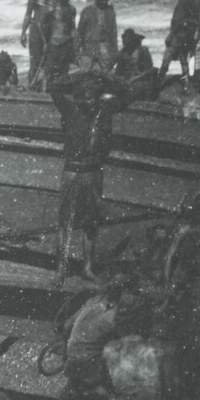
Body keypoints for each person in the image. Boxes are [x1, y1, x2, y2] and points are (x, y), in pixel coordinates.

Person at [51, 73, 129, 283]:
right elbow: (54, 86)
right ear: (77, 97)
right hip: (72, 170)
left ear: (98, 97)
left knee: (91, 222)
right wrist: (82, 75)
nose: (88, 101)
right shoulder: (69, 109)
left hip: (93, 172)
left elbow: (128, 93)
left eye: (92, 96)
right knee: (65, 221)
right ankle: (61, 270)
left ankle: (87, 268)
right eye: (84, 96)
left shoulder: (104, 112)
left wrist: (103, 77)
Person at [158, 0, 200, 92]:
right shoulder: (198, 1)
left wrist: (171, 35)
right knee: (184, 59)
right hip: (189, 35)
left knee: (167, 57)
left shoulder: (183, 0)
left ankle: (157, 84)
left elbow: (177, 20)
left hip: (179, 34)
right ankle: (186, 86)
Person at [21, 0, 59, 86]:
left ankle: (47, 88)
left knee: (51, 62)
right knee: (35, 62)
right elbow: (28, 14)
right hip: (36, 31)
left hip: (51, 31)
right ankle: (31, 87)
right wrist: (23, 33)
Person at [36, 0, 76, 88]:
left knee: (64, 71)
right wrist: (44, 42)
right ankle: (44, 95)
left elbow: (73, 27)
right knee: (48, 71)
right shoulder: (51, 9)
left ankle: (61, 94)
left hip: (66, 43)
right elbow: (40, 24)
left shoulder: (72, 9)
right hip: (53, 43)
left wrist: (73, 42)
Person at [79, 0, 119, 75]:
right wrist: (77, 52)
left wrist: (115, 53)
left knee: (105, 74)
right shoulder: (87, 11)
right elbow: (80, 32)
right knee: (86, 75)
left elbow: (113, 33)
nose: (104, 2)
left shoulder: (110, 12)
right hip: (89, 48)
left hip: (105, 48)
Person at [115, 28, 158, 95]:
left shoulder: (143, 51)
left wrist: (135, 78)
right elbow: (118, 72)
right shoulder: (123, 54)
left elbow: (149, 69)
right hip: (128, 81)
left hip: (141, 80)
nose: (127, 46)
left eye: (129, 43)